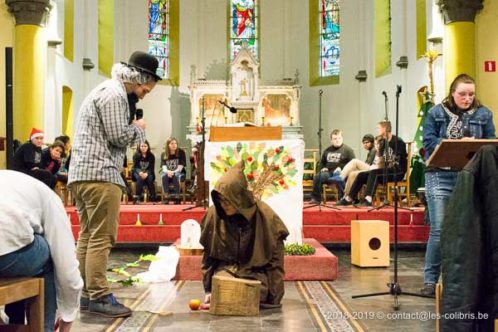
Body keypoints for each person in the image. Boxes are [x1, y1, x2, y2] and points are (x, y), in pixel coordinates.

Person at [68, 50, 160, 317]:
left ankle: (85, 293)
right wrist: (140, 127)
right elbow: (119, 136)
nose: (144, 93)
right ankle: (98, 295)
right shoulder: (114, 94)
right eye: (146, 87)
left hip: (85, 173)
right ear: (138, 77)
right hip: (99, 173)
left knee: (88, 234)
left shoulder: (109, 91)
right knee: (102, 236)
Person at [420, 73, 495, 296]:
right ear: (453, 93)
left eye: (471, 94)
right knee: (440, 230)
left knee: (469, 229)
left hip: (469, 177)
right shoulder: (436, 113)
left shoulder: (484, 114)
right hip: (439, 176)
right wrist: (452, 144)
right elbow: (428, 142)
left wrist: (474, 145)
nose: (467, 98)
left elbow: (491, 144)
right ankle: (430, 281)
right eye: (462, 94)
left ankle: (462, 282)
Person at [0, 170, 83, 332]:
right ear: (55, 188)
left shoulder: (9, 179)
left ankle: (13, 320)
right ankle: (44, 329)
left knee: (22, 240)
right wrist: (69, 313)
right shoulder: (48, 196)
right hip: (7, 253)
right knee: (47, 251)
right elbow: (65, 261)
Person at [200, 161, 289, 308]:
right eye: (220, 200)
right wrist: (208, 290)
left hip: (255, 275)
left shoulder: (266, 216)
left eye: (228, 200)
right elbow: (209, 257)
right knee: (224, 288)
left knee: (255, 292)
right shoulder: (214, 214)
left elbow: (276, 261)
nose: (224, 205)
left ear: (239, 197)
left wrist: (274, 299)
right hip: (227, 272)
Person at [337, 121, 407, 207]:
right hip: (386, 170)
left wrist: (385, 164)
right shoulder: (383, 142)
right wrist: (378, 152)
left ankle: (368, 199)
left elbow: (398, 161)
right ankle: (349, 198)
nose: (377, 130)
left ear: (385, 129)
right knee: (361, 175)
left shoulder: (398, 142)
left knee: (375, 173)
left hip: (397, 171)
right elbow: (381, 162)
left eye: (379, 128)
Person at [309, 129, 355, 204]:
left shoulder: (348, 150)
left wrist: (342, 168)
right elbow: (321, 162)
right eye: (335, 139)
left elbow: (353, 164)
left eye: (339, 138)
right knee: (318, 176)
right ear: (331, 140)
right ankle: (316, 199)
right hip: (328, 172)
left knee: (340, 177)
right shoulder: (327, 150)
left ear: (342, 138)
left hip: (342, 172)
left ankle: (342, 199)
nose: (337, 140)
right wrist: (323, 168)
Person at [332, 135, 383, 202]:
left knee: (355, 161)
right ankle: (347, 196)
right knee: (352, 174)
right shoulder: (373, 151)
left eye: (367, 142)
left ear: (372, 143)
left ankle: (341, 176)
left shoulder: (374, 150)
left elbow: (369, 165)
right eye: (364, 143)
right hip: (370, 170)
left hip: (373, 171)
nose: (365, 144)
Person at [160, 137, 187, 204]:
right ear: (168, 145)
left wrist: (173, 172)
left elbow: (180, 167)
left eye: (175, 143)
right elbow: (164, 167)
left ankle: (177, 197)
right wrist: (168, 172)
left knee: (176, 176)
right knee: (164, 176)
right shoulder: (164, 154)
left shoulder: (181, 152)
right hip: (168, 173)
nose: (174, 145)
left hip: (179, 172)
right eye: (172, 143)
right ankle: (166, 196)